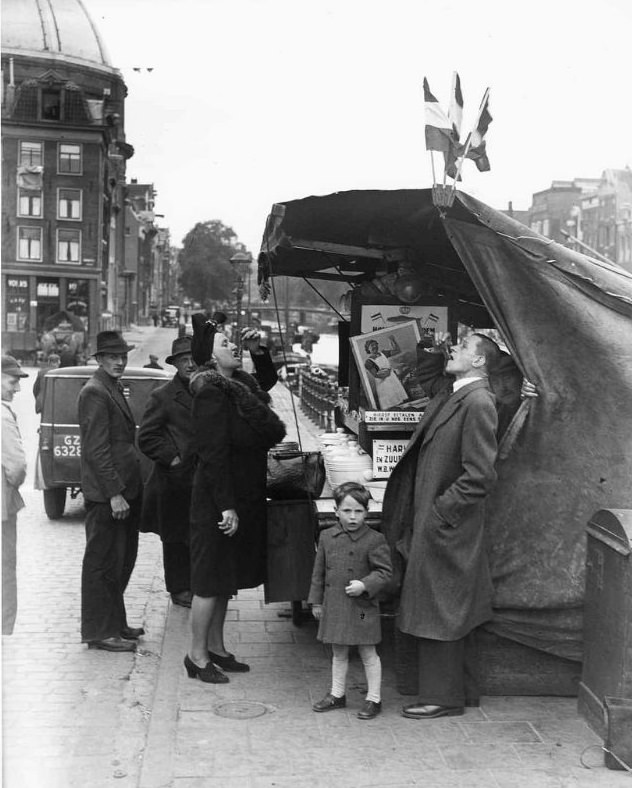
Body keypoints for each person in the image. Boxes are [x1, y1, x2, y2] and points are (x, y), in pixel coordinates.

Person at [381, 331, 504, 719]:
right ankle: (458, 692)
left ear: (481, 360)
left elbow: (479, 475)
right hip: (441, 523)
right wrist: (435, 349)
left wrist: (439, 514)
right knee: (442, 605)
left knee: (442, 608)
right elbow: (429, 379)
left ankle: (443, 698)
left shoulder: (479, 401)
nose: (455, 349)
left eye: (463, 347)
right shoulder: (457, 392)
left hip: (448, 525)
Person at [184, 314, 286, 683]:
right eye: (225, 343)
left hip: (240, 495)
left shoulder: (238, 384)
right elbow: (212, 455)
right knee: (210, 581)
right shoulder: (211, 392)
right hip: (216, 500)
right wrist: (226, 506)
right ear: (211, 359)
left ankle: (217, 648)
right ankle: (196, 657)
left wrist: (259, 353)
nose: (233, 346)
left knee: (225, 579)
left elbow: (267, 384)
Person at [78, 331, 144, 653]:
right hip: (108, 496)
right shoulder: (95, 391)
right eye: (112, 357)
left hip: (122, 491)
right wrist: (114, 493)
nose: (119, 361)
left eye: (122, 356)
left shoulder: (110, 386)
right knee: (102, 563)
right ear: (99, 359)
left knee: (121, 560)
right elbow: (96, 450)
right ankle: (99, 631)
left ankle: (116, 622)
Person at [308, 482, 393, 720]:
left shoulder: (375, 539)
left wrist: (365, 584)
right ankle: (337, 694)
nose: (353, 516)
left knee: (368, 650)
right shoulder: (327, 537)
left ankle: (374, 698)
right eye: (347, 511)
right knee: (338, 651)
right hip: (335, 605)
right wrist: (316, 602)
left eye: (358, 511)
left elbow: (385, 572)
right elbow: (319, 572)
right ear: (336, 511)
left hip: (363, 609)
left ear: (367, 512)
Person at [2, 355, 28, 635]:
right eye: (12, 381)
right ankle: (4, 627)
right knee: (4, 568)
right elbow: (17, 465)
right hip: (3, 507)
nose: (16, 389)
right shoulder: (2, 414)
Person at [364, 337, 408, 409]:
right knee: (390, 402)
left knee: (399, 399)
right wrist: (386, 373)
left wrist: (392, 340)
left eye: (375, 344)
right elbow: (376, 375)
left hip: (392, 378)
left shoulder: (384, 353)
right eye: (372, 345)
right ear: (368, 349)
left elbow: (397, 350)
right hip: (383, 383)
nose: (375, 346)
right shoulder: (368, 362)